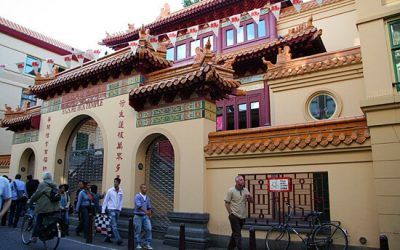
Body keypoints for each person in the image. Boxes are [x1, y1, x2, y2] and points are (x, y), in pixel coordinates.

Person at [27, 172, 60, 243]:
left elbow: (36, 195)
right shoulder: (55, 184)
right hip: (55, 207)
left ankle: (34, 237)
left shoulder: (43, 184)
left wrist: (30, 202)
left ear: (44, 177)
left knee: (38, 220)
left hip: (45, 207)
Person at [224, 175, 253, 250]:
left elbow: (251, 201)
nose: (242, 181)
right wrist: (230, 214)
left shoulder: (245, 190)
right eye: (240, 180)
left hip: (242, 216)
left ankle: (230, 248)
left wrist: (249, 196)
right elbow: (227, 203)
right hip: (234, 216)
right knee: (238, 234)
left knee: (235, 233)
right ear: (236, 181)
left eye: (243, 179)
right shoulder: (231, 190)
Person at [101, 177, 123, 245]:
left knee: (112, 225)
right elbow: (105, 200)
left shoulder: (121, 191)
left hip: (117, 210)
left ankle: (107, 238)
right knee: (114, 225)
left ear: (119, 183)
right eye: (114, 182)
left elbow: (121, 200)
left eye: (116, 182)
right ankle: (118, 239)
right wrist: (103, 210)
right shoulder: (110, 190)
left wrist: (120, 209)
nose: (115, 183)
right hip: (111, 209)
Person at [134, 184, 153, 250]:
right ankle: (138, 243)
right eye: (144, 188)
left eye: (146, 188)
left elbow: (149, 206)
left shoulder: (147, 197)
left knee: (149, 229)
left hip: (145, 216)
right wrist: (146, 212)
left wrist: (150, 213)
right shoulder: (137, 196)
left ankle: (147, 244)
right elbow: (139, 206)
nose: (145, 189)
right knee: (138, 230)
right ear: (141, 189)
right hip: (138, 216)